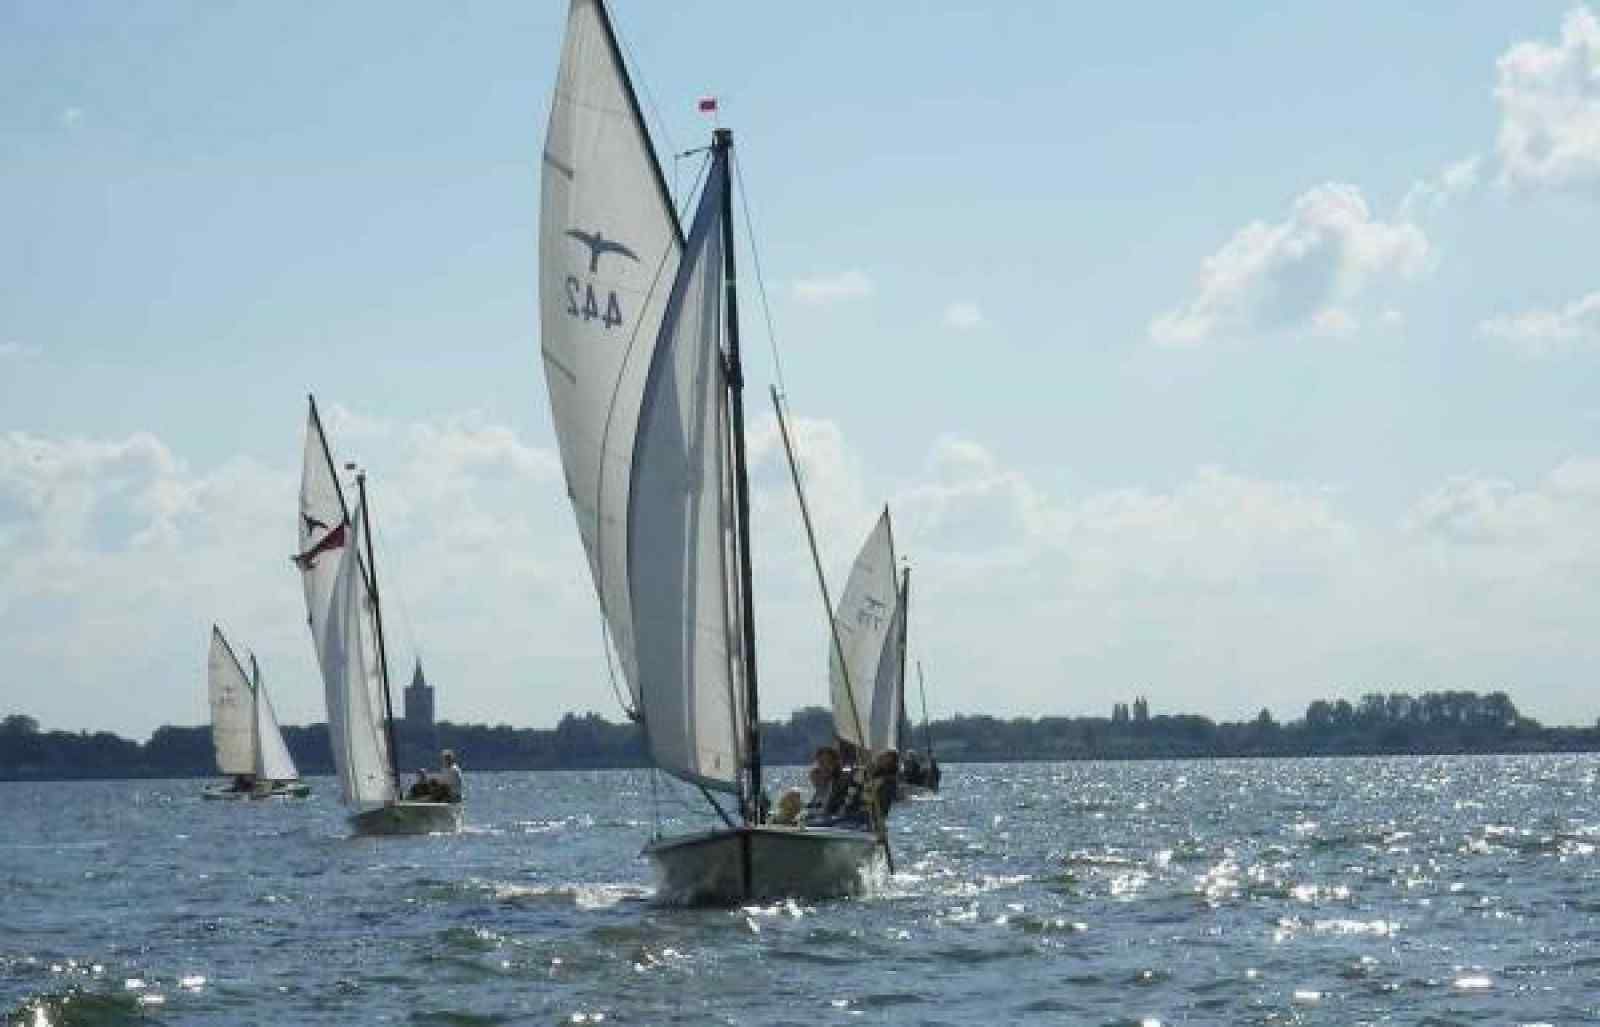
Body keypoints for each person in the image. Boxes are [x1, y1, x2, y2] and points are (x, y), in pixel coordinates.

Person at [802, 746, 848, 822]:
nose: (824, 767)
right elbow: (816, 808)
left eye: (829, 762)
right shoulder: (821, 787)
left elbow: (830, 811)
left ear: (835, 764)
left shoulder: (840, 785)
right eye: (821, 763)